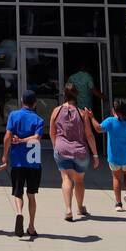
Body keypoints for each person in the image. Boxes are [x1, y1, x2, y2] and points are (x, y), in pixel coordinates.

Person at [50, 84, 100, 221]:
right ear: (76, 95)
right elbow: (89, 135)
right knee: (79, 180)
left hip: (62, 150)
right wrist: (95, 155)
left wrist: (56, 146)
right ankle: (80, 207)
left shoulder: (56, 111)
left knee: (66, 178)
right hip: (80, 151)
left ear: (64, 94)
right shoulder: (82, 113)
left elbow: (52, 132)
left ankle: (68, 210)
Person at [88, 99, 126, 211]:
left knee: (116, 178)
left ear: (113, 110)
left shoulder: (110, 121)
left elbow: (98, 129)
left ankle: (118, 204)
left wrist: (91, 117)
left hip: (114, 157)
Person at [2, 89, 44, 239]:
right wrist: (26, 140)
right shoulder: (39, 120)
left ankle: (19, 213)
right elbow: (37, 138)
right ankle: (31, 226)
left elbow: (7, 137)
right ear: (35, 103)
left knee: (18, 192)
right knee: (31, 195)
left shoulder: (14, 116)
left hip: (18, 160)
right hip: (33, 162)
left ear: (21, 101)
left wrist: (5, 155)